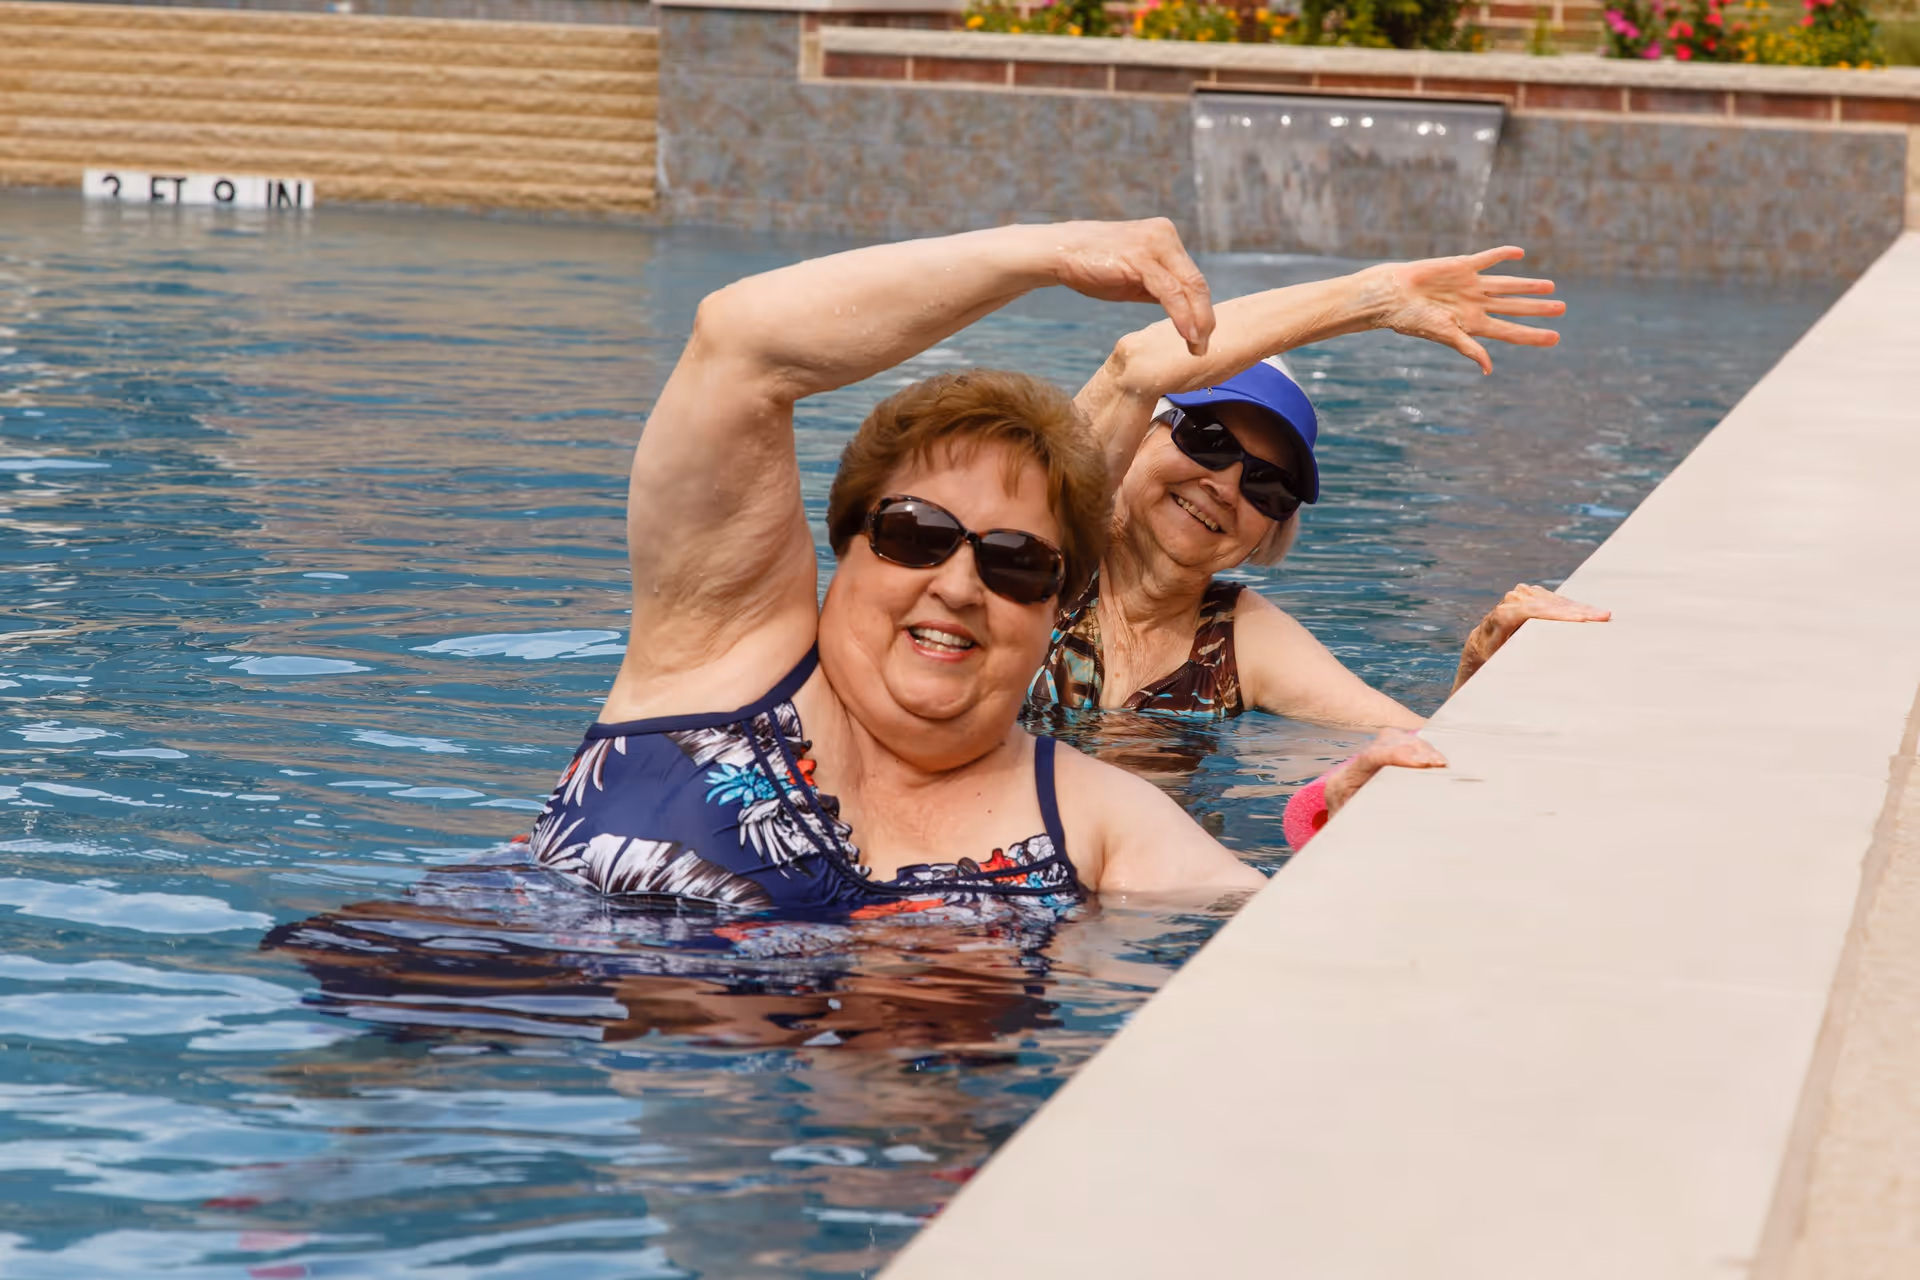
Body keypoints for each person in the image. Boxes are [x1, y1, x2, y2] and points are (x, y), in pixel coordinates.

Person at [525, 218, 1272, 915]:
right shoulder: (719, 657)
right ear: (847, 541)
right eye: (916, 534)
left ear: (1056, 609)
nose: (956, 586)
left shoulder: (1097, 821)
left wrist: (1346, 809)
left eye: (1015, 563)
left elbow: (1293, 933)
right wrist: (1046, 252)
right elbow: (741, 340)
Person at [1031, 247, 1609, 729]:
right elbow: (1131, 365)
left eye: (1269, 485)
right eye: (1207, 440)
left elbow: (1417, 753)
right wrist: (1375, 298)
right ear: (1136, 434)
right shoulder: (1037, 545)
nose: (1228, 486)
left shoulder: (1240, 639)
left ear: (1271, 531)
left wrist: (1477, 671)